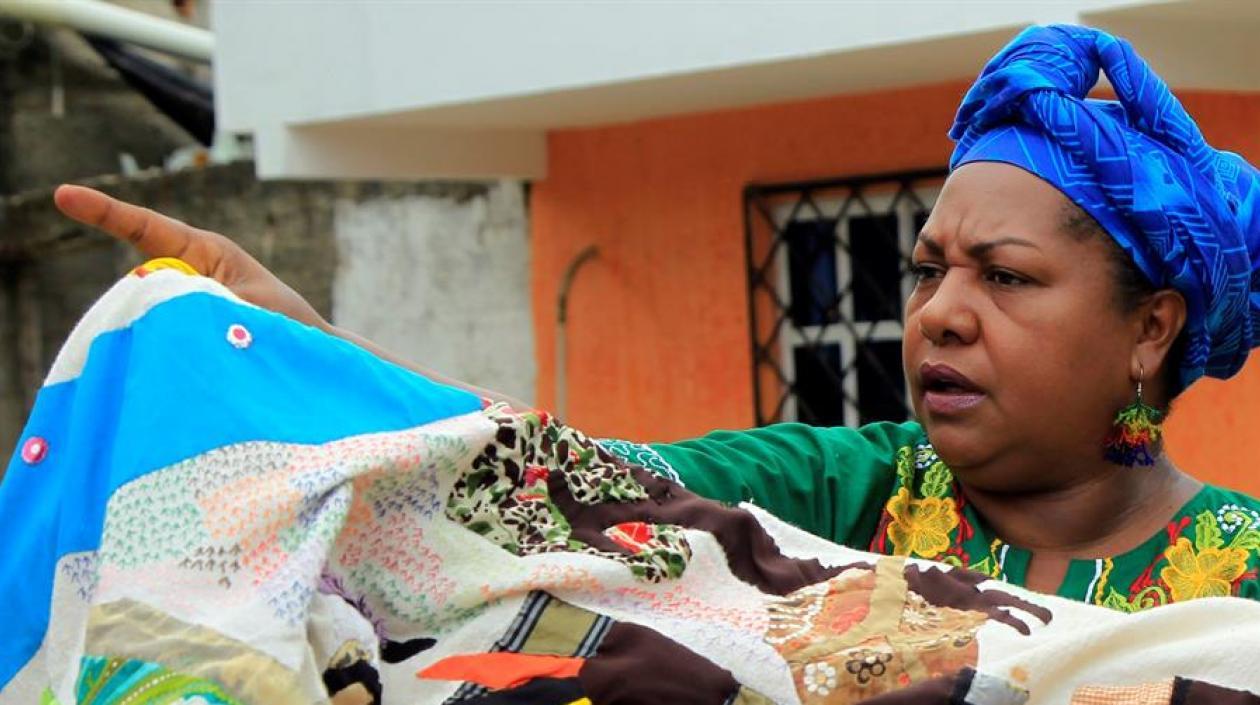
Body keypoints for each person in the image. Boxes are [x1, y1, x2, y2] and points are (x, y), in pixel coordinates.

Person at [52, 25, 1260, 612]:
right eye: (930, 270)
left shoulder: (1244, 578)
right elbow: (551, 481)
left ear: (1150, 329)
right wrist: (313, 358)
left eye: (1002, 278)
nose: (940, 314)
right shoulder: (843, 490)